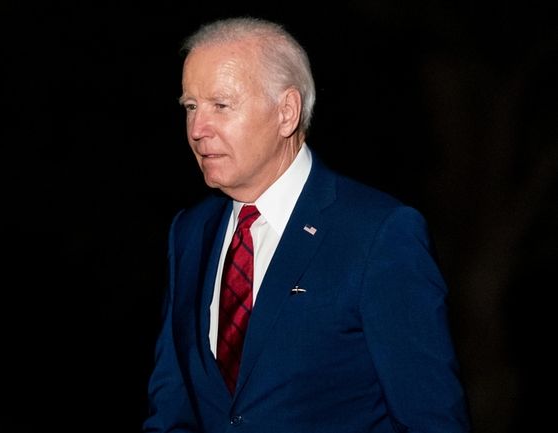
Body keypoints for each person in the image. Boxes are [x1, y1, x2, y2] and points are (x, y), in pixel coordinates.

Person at [142, 16, 470, 433]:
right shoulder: (189, 232)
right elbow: (172, 409)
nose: (198, 129)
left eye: (221, 105)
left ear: (287, 112)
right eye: (191, 107)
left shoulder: (379, 234)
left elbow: (432, 421)